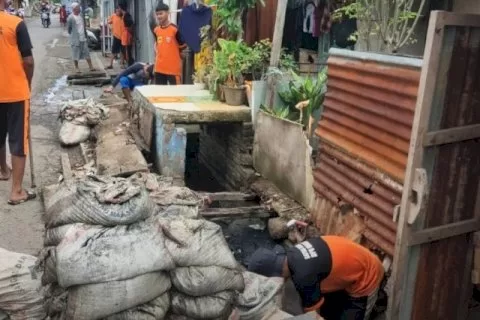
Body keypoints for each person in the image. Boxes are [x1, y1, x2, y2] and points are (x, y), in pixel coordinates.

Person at [248, 236, 385, 320]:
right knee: (330, 309)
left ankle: (377, 303)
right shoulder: (293, 253)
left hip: (367, 276)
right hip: (353, 261)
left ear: (275, 274)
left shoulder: (304, 278)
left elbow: (314, 317)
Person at [0, 0, 36, 205]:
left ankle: (4, 171)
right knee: (18, 140)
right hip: (14, 92)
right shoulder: (16, 23)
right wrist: (28, 83)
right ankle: (17, 191)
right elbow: (29, 60)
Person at [153, 3, 186, 85]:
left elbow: (183, 45)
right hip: (159, 69)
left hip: (173, 70)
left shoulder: (175, 29)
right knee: (160, 95)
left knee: (175, 96)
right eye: (157, 14)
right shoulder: (156, 30)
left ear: (168, 13)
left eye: (161, 13)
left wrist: (180, 54)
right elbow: (157, 45)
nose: (159, 16)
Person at [67, 2, 95, 73]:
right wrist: (74, 36)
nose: (79, 8)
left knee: (87, 52)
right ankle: (76, 68)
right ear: (74, 9)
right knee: (75, 53)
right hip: (76, 39)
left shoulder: (81, 15)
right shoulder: (70, 18)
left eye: (79, 7)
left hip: (83, 38)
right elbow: (69, 29)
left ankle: (91, 66)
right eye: (78, 7)